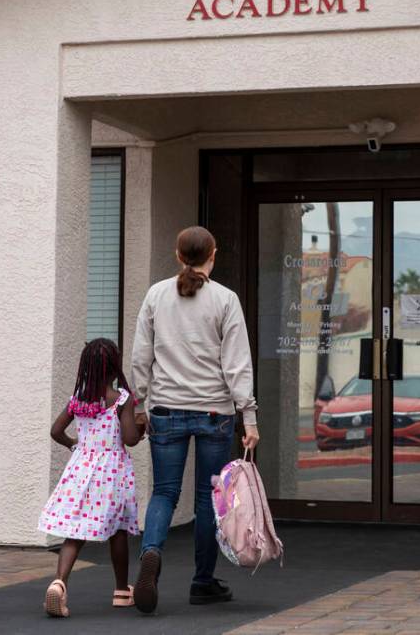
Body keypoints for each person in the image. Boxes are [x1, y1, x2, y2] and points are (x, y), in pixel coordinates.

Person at [131, 225, 261, 615]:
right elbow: (237, 364)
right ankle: (203, 582)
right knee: (208, 498)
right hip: (214, 413)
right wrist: (249, 417)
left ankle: (151, 553)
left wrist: (141, 404)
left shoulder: (156, 295)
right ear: (213, 254)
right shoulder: (225, 299)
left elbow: (141, 356)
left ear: (177, 255)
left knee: (165, 493)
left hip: (165, 411)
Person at [38, 338, 144, 617]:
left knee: (75, 531)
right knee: (118, 529)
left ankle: (60, 583)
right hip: (111, 472)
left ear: (86, 367)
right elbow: (130, 439)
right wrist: (143, 424)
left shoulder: (79, 398)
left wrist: (76, 445)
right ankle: (122, 591)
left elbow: (55, 430)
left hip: (80, 469)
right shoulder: (121, 399)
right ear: (114, 368)